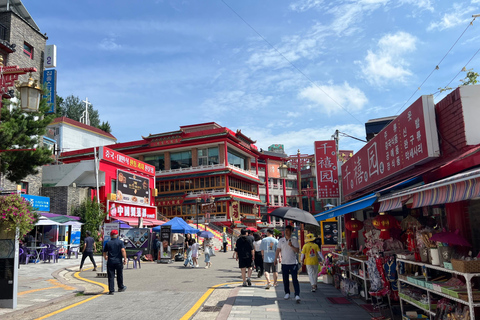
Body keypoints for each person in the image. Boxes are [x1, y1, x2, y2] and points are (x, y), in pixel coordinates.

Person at [275, 225, 300, 302]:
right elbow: (278, 250)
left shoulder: (294, 240)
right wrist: (275, 258)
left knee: (294, 279)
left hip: (293, 263)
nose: (286, 232)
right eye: (285, 230)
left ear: (291, 231)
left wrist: (291, 245)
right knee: (285, 279)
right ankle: (287, 293)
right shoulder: (281, 240)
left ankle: (297, 294)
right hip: (284, 263)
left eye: (288, 230)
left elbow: (297, 251)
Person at [103, 230, 127, 295]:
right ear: (117, 235)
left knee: (111, 276)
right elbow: (123, 250)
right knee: (119, 274)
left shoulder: (108, 243)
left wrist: (105, 257)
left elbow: (104, 252)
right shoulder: (120, 242)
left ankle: (111, 290)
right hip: (118, 261)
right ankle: (121, 287)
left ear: (111, 235)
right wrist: (125, 258)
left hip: (110, 261)